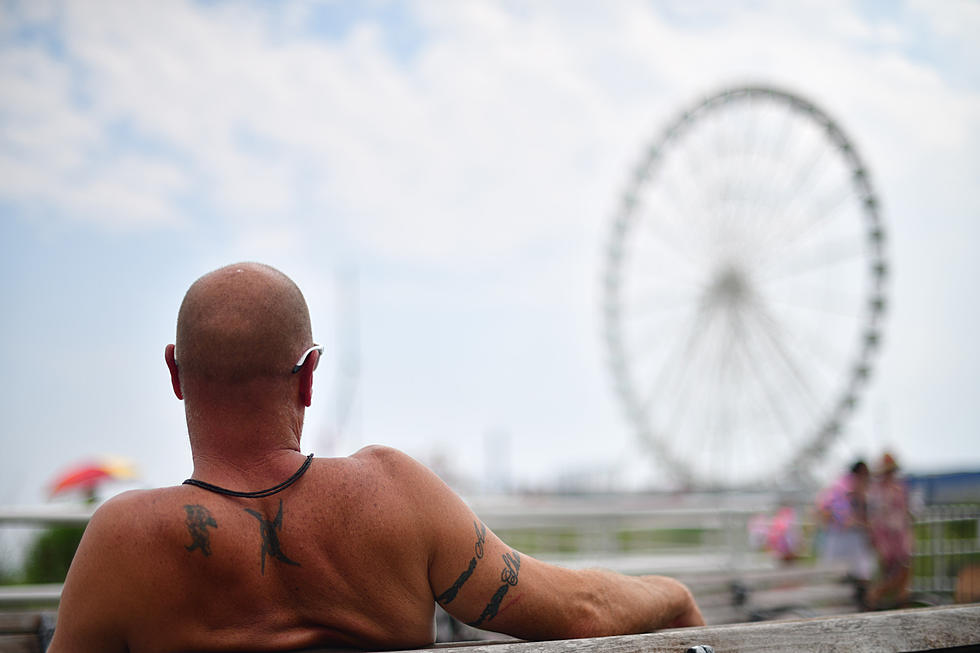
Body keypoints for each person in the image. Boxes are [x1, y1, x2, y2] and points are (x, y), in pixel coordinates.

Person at [49, 262, 703, 652]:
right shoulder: (392, 494)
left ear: (174, 372)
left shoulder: (125, 543)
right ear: (309, 375)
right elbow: (580, 611)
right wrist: (670, 594)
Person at [815, 460, 875, 607]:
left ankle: (857, 606)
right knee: (853, 578)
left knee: (848, 579)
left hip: (845, 540)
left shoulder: (838, 488)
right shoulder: (849, 489)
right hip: (846, 541)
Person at [866, 452, 913, 608]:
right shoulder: (877, 490)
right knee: (892, 573)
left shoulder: (898, 487)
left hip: (899, 536)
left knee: (903, 571)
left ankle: (898, 602)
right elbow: (877, 515)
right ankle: (874, 597)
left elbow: (904, 511)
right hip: (886, 537)